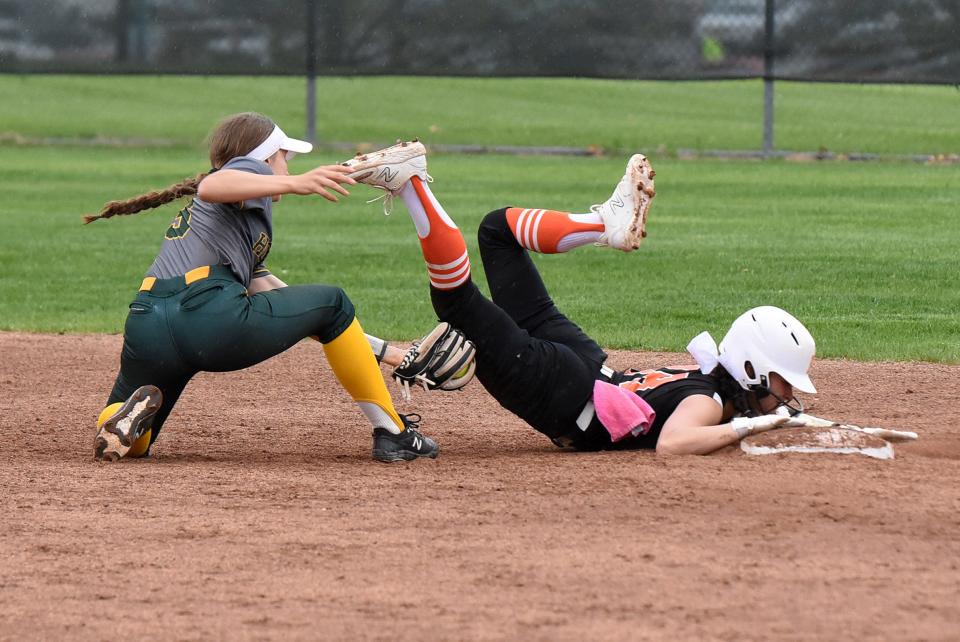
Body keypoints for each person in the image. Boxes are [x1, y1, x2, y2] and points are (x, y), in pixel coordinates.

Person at [343, 142, 818, 455]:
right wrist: (753, 425)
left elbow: (679, 434)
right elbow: (675, 443)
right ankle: (411, 183)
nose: (789, 395)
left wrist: (771, 415)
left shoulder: (713, 377)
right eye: (784, 382)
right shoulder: (713, 400)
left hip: (585, 373)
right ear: (753, 369)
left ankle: (600, 226)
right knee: (461, 293)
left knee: (494, 234)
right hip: (567, 390)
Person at [85, 112, 461, 463]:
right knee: (334, 300)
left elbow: (298, 312)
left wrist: (391, 354)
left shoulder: (237, 218)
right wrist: (296, 184)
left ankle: (121, 419)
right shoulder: (242, 171)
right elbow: (214, 184)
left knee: (136, 444)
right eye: (284, 158)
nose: (288, 166)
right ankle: (394, 433)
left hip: (147, 322)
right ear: (265, 159)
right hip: (207, 318)